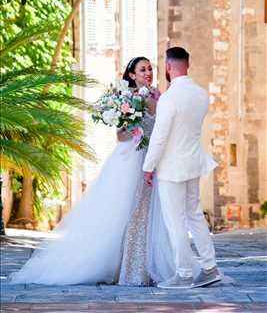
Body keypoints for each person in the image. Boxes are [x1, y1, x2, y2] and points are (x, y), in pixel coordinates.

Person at [10, 56, 174, 286]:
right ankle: (132, 270)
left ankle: (145, 266)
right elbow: (120, 135)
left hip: (152, 157)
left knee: (151, 212)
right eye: (142, 69)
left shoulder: (157, 95)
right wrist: (134, 130)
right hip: (133, 160)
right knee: (134, 211)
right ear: (132, 75)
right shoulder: (130, 97)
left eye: (150, 68)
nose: (148, 72)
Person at [143, 46, 221, 289]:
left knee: (175, 220)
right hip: (193, 163)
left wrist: (148, 166)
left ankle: (184, 273)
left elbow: (160, 137)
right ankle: (210, 268)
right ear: (187, 64)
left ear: (168, 67)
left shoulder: (169, 98)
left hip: (171, 168)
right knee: (194, 215)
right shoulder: (200, 94)